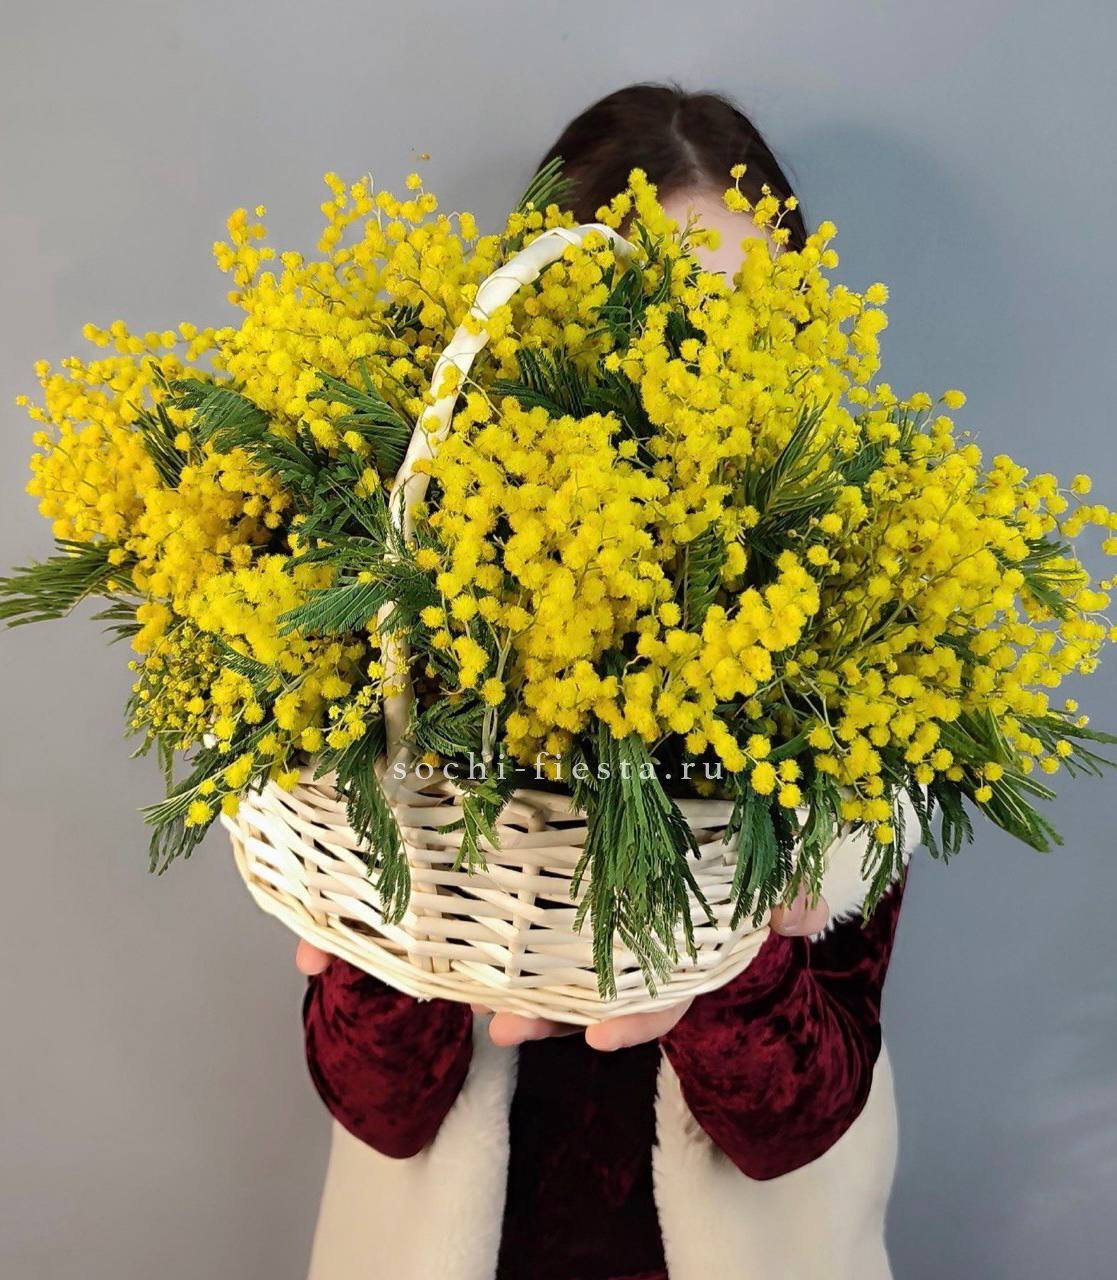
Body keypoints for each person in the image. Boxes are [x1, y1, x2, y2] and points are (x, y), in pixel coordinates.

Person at [297, 84, 910, 1280]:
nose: (688, 373)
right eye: (638, 321)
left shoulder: (855, 642)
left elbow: (799, 1116)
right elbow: (376, 1103)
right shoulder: (414, 614)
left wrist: (710, 960)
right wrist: (393, 923)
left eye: (734, 326)